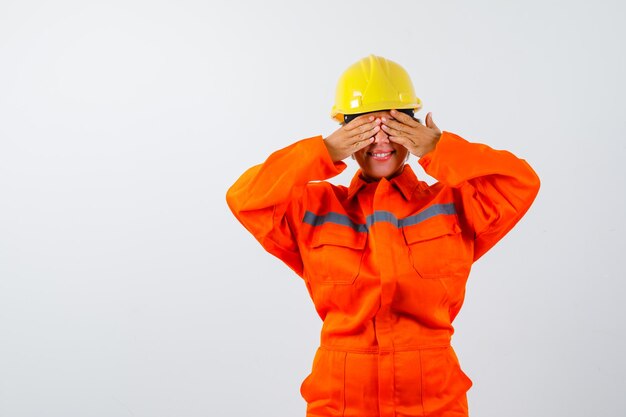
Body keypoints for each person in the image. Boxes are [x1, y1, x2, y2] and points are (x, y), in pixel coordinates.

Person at [226, 55, 540, 417]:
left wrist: (439, 149)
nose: (380, 139)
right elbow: (245, 198)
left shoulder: (454, 204)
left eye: (394, 123)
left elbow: (520, 182)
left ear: (415, 127)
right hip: (339, 402)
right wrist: (324, 152)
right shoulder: (315, 209)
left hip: (434, 402)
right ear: (344, 131)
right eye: (363, 126)